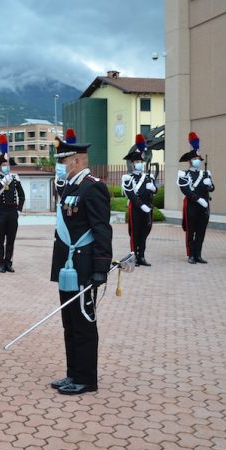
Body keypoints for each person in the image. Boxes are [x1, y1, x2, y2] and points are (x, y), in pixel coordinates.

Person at [49, 128, 113, 395]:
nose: (60, 167)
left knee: (84, 323)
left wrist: (100, 268)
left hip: (84, 268)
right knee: (70, 323)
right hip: (67, 268)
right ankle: (72, 373)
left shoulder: (93, 188)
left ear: (75, 161)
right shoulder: (71, 188)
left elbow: (102, 230)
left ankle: (86, 379)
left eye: (63, 162)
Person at [0, 134, 25, 273]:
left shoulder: (15, 178)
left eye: (7, 164)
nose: (6, 166)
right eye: (4, 165)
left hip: (12, 212)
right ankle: (1, 263)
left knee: (11, 239)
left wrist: (19, 210)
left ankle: (9, 262)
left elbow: (21, 195)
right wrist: (3, 182)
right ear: (0, 165)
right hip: (0, 212)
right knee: (0, 239)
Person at [177, 131, 215, 264]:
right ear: (189, 161)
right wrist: (198, 199)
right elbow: (185, 190)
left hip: (204, 207)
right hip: (192, 206)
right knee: (191, 231)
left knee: (201, 231)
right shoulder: (184, 174)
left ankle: (198, 254)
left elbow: (212, 188)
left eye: (198, 159)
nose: (197, 161)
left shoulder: (205, 173)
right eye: (194, 159)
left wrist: (209, 185)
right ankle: (191, 255)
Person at [121, 134, 157, 266]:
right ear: (132, 163)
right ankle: (134, 256)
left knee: (144, 232)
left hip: (147, 207)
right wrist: (141, 206)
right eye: (137, 162)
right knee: (135, 232)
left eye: (141, 162)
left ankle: (141, 256)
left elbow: (155, 191)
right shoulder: (127, 178)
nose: (139, 164)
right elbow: (130, 194)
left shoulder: (148, 177)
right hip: (136, 208)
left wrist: (152, 188)